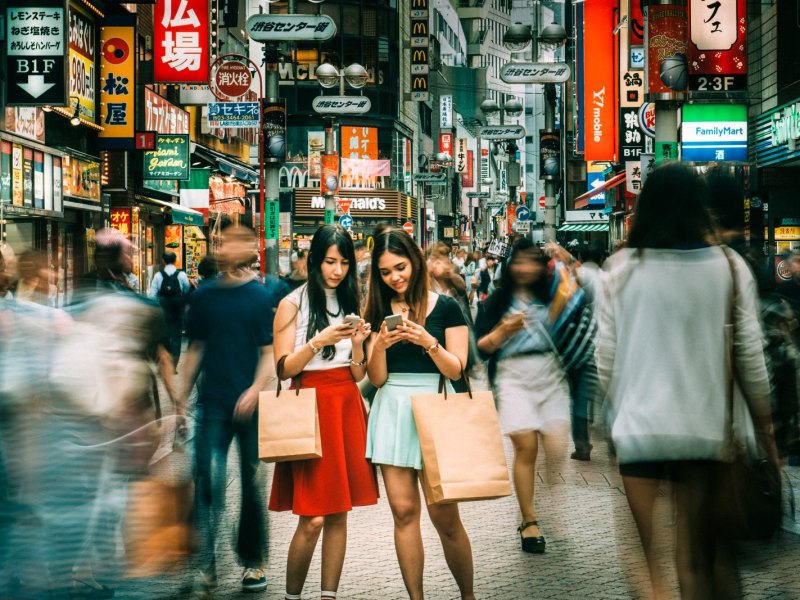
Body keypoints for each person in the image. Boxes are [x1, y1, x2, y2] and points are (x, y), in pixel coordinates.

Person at [596, 164, 777, 599]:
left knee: (647, 561)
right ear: (700, 206)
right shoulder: (727, 267)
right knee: (694, 557)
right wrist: (765, 427)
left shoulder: (620, 269)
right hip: (703, 431)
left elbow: (605, 358)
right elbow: (752, 354)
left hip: (639, 430)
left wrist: (618, 409)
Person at [364, 230, 476, 600]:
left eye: (400, 267)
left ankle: (468, 596)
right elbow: (376, 379)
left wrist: (427, 341)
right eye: (385, 272)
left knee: (445, 516)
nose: (395, 277)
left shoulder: (446, 308)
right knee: (403, 512)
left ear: (415, 261)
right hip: (393, 407)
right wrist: (378, 345)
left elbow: (456, 370)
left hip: (436, 406)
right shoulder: (377, 312)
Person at [269, 224, 379, 600]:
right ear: (314, 260)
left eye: (344, 262)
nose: (337, 270)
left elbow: (358, 373)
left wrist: (360, 345)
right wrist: (318, 341)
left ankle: (328, 595)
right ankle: (292, 595)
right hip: (310, 406)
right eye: (330, 261)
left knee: (338, 513)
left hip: (345, 402)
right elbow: (282, 369)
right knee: (313, 516)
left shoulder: (351, 301)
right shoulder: (292, 303)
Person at [181, 222, 284, 597]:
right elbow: (195, 350)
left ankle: (253, 560)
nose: (224, 247)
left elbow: (267, 353)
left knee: (251, 485)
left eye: (233, 241)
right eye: (221, 242)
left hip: (250, 409)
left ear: (249, 248)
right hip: (212, 405)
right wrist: (179, 399)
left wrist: (255, 390)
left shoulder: (258, 297)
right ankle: (205, 565)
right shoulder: (204, 296)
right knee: (206, 484)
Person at [475, 239, 570, 555]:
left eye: (534, 261)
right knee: (526, 446)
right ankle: (529, 520)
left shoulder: (553, 297)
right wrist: (502, 331)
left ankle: (540, 502)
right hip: (513, 374)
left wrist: (564, 257)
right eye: (520, 261)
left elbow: (584, 286)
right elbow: (480, 349)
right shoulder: (497, 303)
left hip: (549, 370)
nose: (527, 267)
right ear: (511, 265)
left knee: (556, 445)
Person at [148, 252, 191, 367]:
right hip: (178, 309)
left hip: (163, 309)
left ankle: (164, 363)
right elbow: (186, 290)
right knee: (177, 336)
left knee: (164, 335)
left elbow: (152, 294)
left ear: (163, 261)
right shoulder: (181, 275)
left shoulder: (158, 275)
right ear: (175, 260)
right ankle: (174, 364)